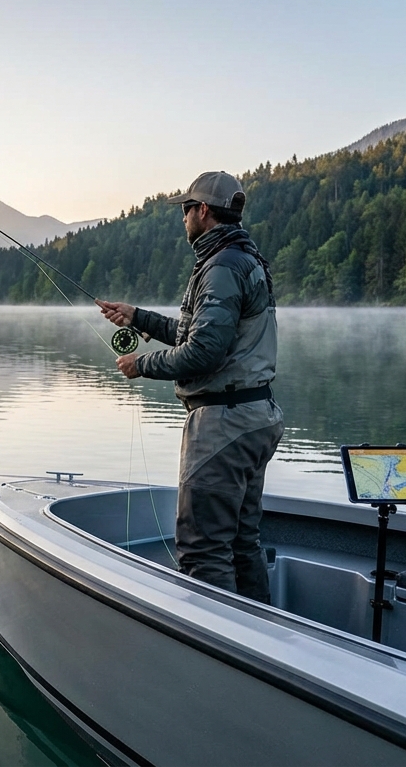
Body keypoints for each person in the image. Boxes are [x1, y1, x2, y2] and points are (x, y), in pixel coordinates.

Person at [96, 171, 282, 603]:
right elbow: (200, 333)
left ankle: (225, 653)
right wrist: (137, 317)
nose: (182, 218)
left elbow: (203, 353)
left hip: (224, 424)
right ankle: (260, 641)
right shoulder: (243, 259)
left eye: (186, 209)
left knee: (203, 549)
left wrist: (140, 365)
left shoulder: (219, 267)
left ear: (202, 211)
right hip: (256, 416)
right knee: (241, 543)